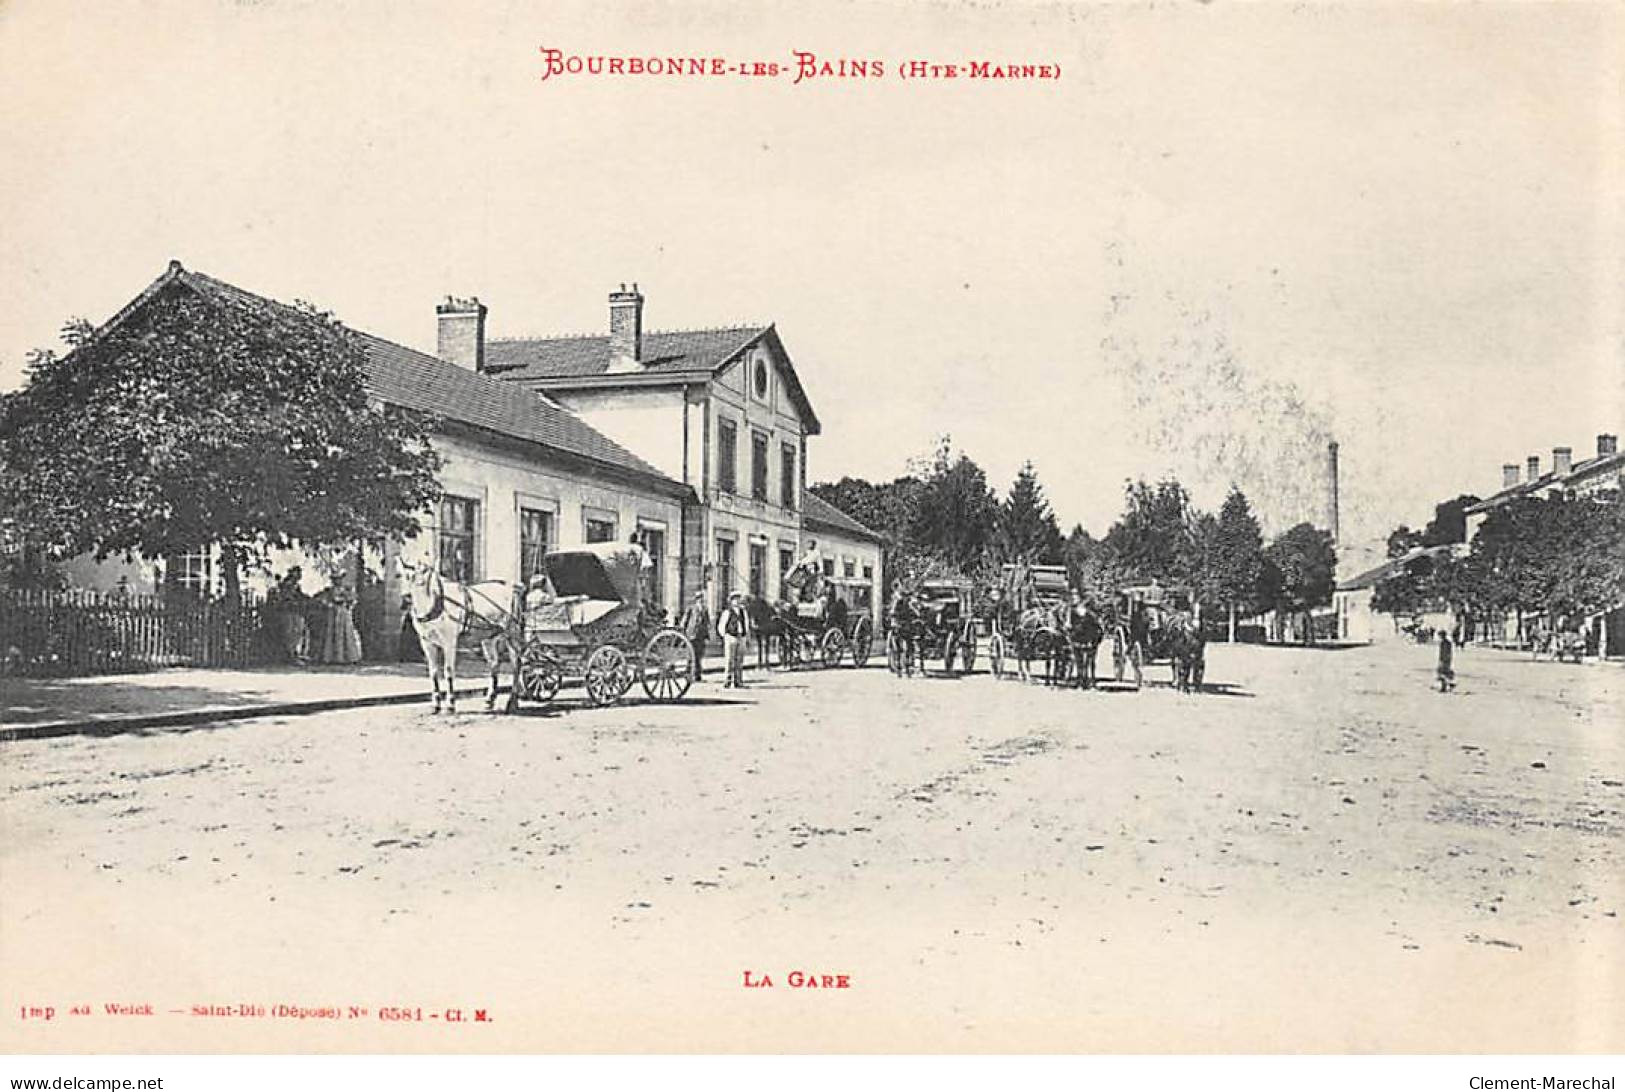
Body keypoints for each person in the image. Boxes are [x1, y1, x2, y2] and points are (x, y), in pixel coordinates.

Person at [717, 591, 752, 689]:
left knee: (739, 661)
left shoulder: (743, 612)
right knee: (729, 660)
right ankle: (727, 681)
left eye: (738, 599)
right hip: (731, 637)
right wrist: (725, 636)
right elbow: (721, 626)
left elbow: (746, 624)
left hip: (741, 637)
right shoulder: (727, 612)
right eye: (734, 599)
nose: (736, 601)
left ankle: (738, 681)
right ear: (731, 601)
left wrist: (746, 636)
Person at [680, 592, 711, 682]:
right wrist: (683, 632)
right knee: (691, 656)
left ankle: (697, 675)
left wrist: (707, 634)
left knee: (699, 655)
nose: (700, 600)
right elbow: (685, 620)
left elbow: (707, 622)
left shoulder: (705, 609)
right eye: (698, 598)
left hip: (701, 636)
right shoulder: (691, 608)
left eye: (702, 598)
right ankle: (688, 674)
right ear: (696, 599)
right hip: (692, 635)